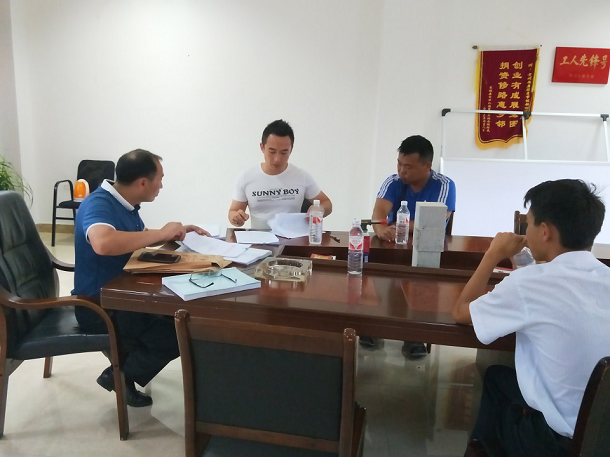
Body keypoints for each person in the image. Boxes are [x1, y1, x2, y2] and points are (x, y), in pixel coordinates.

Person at [452, 179, 610, 457]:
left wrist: (492, 254)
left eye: (530, 224)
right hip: (602, 432)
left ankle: (479, 449)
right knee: (499, 378)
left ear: (545, 231)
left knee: (497, 388)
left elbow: (462, 311)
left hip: (561, 445)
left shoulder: (528, 284)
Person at [73, 149, 208, 407]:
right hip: (99, 306)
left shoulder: (126, 203)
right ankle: (120, 376)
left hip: (122, 294)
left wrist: (173, 233)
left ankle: (122, 372)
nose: (162, 185)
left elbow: (137, 237)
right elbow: (103, 243)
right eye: (160, 178)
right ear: (143, 183)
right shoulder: (99, 204)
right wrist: (161, 234)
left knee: (179, 315)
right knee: (179, 329)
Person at [365, 135, 456, 359]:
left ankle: (415, 335)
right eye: (399, 164)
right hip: (395, 246)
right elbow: (378, 214)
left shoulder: (444, 185)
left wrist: (398, 225)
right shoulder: (393, 182)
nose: (401, 171)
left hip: (428, 248)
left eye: (408, 166)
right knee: (374, 268)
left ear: (427, 166)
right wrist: (380, 229)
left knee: (423, 280)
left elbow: (435, 221)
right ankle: (374, 326)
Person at [228, 119, 332, 229]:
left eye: (284, 152)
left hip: (292, 237)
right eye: (272, 152)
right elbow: (233, 211)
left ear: (291, 149)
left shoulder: (301, 176)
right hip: (259, 238)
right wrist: (236, 218)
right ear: (262, 147)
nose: (277, 159)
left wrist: (320, 209)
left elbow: (327, 203)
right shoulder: (246, 177)